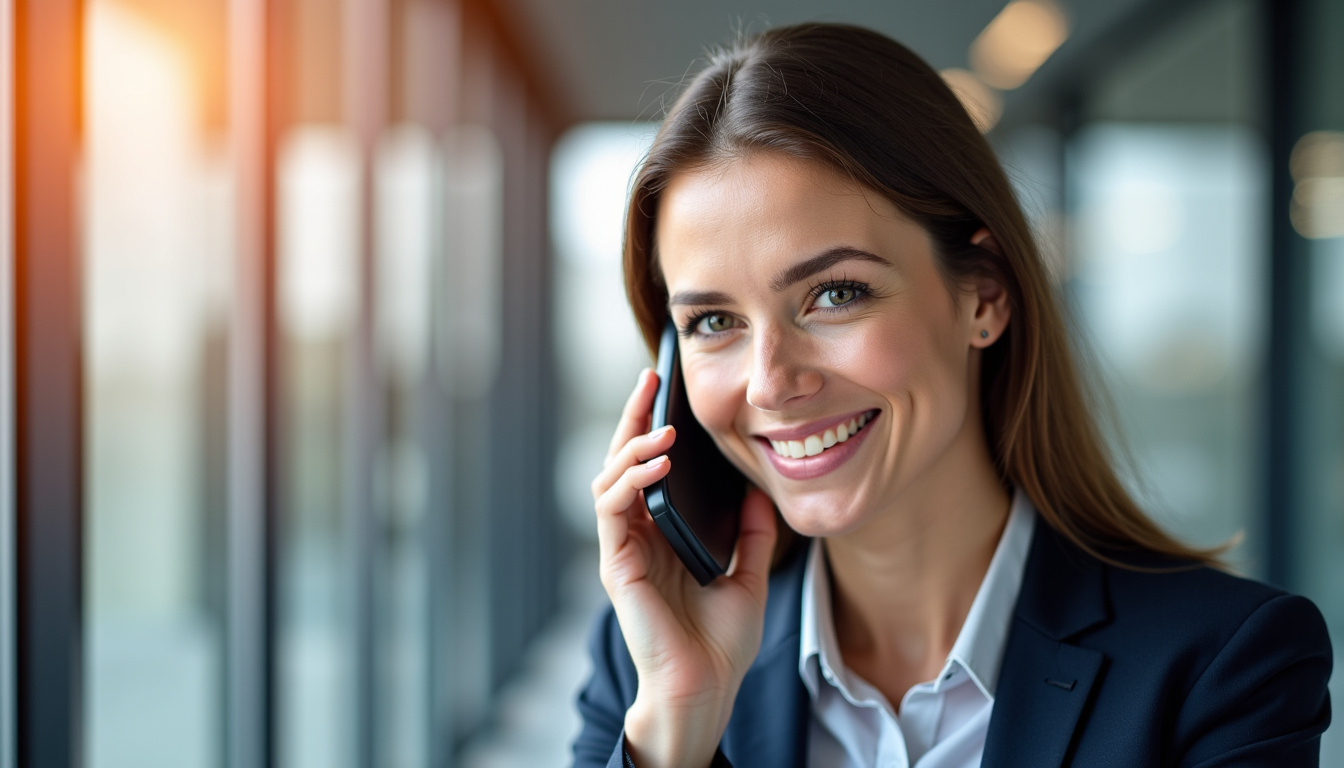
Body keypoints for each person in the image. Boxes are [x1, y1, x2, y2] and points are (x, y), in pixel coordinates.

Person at [574, 22, 1332, 768]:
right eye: (713, 321)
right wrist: (678, 728)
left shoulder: (1220, 668)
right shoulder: (651, 660)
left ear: (984, 295)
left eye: (835, 293)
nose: (770, 382)